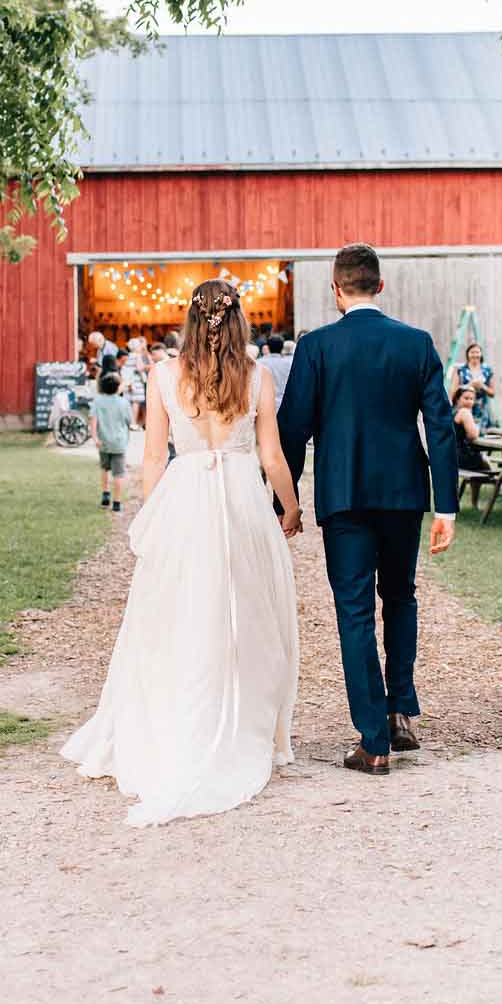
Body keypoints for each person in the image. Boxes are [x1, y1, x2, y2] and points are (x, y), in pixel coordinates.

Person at [62, 278, 303, 825]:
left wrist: (153, 512)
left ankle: (183, 716)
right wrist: (289, 507)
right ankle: (245, 725)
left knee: (177, 614)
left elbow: (152, 456)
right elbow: (272, 457)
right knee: (249, 616)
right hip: (242, 498)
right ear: (239, 321)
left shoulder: (163, 374)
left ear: (190, 321)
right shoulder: (259, 377)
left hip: (186, 496)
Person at [277, 242, 459, 777]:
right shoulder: (416, 343)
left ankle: (373, 738)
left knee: (354, 611)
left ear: (335, 290)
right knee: (401, 596)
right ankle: (400, 710)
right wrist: (445, 505)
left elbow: (293, 428)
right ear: (380, 286)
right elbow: (441, 427)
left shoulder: (318, 347)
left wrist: (280, 502)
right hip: (405, 494)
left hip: (344, 496)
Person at [90, 371, 133, 512]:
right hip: (119, 443)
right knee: (119, 474)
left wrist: (95, 438)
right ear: (117, 387)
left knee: (104, 468)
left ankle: (105, 495)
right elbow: (129, 421)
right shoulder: (124, 403)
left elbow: (94, 421)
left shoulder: (97, 401)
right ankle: (117, 503)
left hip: (103, 442)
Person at [451, 384, 491, 509]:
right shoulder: (464, 412)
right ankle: (500, 492)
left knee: (484, 464)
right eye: (466, 398)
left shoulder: (452, 411)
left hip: (452, 455)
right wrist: (476, 429)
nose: (469, 402)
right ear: (457, 399)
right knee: (485, 466)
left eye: (472, 399)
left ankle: (473, 502)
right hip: (461, 456)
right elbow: (473, 435)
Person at [456, 343, 497, 428]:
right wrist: (469, 385)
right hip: (465, 407)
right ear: (468, 354)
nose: (475, 355)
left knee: (481, 434)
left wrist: (482, 386)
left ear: (481, 354)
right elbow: (454, 391)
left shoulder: (487, 370)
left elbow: (493, 393)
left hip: (482, 409)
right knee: (466, 432)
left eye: (477, 352)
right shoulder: (461, 370)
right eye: (472, 352)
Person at [256, 334, 293, 405]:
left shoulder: (259, 363)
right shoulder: (289, 364)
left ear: (268, 347)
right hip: (284, 402)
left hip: (264, 403)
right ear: (282, 348)